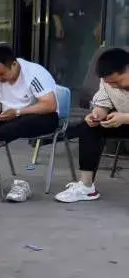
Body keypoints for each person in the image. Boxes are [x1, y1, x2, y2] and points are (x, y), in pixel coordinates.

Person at [54, 47, 129, 203]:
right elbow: (103, 103)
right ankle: (87, 187)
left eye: (117, 81)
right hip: (122, 120)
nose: (114, 86)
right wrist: (97, 113)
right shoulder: (107, 82)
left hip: (125, 118)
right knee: (89, 127)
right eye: (110, 83)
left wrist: (125, 118)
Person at [0, 46, 59, 146]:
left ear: (14, 64)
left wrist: (17, 112)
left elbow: (50, 105)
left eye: (1, 74)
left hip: (40, 117)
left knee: (22, 123)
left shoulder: (34, 73)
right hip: (8, 118)